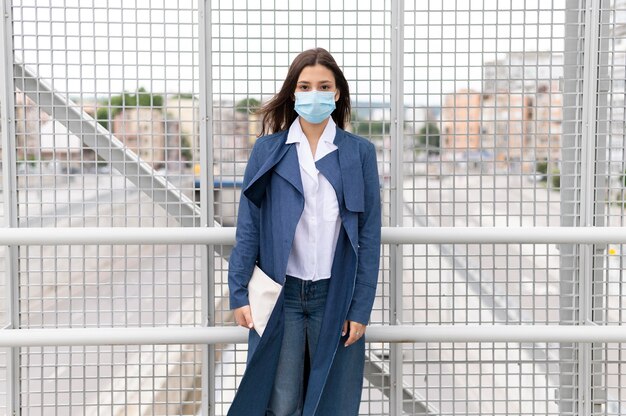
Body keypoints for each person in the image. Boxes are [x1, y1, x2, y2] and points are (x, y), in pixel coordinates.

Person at [227, 47, 381, 416]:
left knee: (332, 400)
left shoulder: (359, 153)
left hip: (336, 294)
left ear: (338, 93)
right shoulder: (269, 150)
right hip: (284, 296)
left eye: (324, 86)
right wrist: (237, 293)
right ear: (294, 93)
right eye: (306, 86)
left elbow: (368, 234)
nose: (315, 94)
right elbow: (248, 226)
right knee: (280, 402)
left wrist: (360, 308)